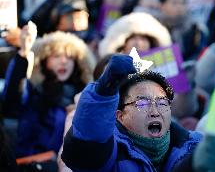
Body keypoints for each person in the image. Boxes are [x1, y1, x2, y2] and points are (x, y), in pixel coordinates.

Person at [61, 54, 202, 171]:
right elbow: (84, 150)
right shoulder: (110, 153)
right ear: (120, 116)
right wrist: (104, 91)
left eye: (162, 102)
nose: (155, 112)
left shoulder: (197, 146)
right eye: (142, 103)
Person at [2, 22, 96, 157]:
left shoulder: (85, 97)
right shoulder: (33, 92)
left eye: (69, 57)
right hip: (31, 164)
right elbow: (11, 98)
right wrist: (24, 52)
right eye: (56, 56)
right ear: (45, 60)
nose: (63, 61)